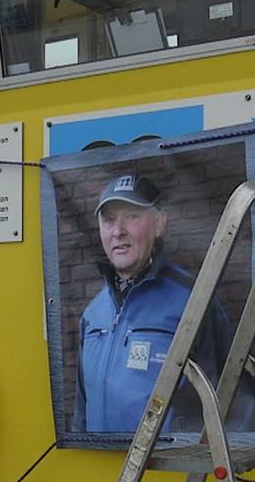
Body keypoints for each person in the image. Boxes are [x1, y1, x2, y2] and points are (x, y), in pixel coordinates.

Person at [72, 173, 235, 434]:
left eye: (132, 216)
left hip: (170, 470)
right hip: (101, 468)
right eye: (109, 220)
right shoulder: (93, 314)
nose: (118, 231)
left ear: (159, 224)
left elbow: (232, 399)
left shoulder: (194, 300)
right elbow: (81, 413)